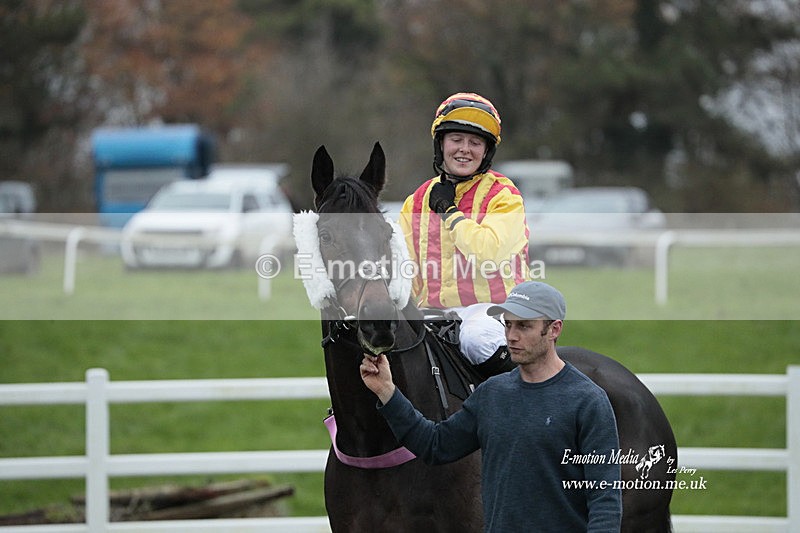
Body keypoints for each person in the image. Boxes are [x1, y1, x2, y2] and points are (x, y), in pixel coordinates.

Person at [360, 281, 622, 532]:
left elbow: (605, 500)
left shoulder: (588, 401)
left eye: (524, 326)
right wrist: (386, 391)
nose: (512, 336)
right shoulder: (492, 394)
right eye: (508, 325)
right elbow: (435, 445)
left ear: (554, 329)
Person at [398, 92, 530, 375]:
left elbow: (489, 255)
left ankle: (513, 407)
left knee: (477, 339)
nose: (464, 149)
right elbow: (408, 270)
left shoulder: (504, 196)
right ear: (441, 144)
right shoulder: (416, 201)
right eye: (456, 139)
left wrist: (450, 212)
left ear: (486, 152)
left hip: (494, 309)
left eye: (475, 142)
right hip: (433, 311)